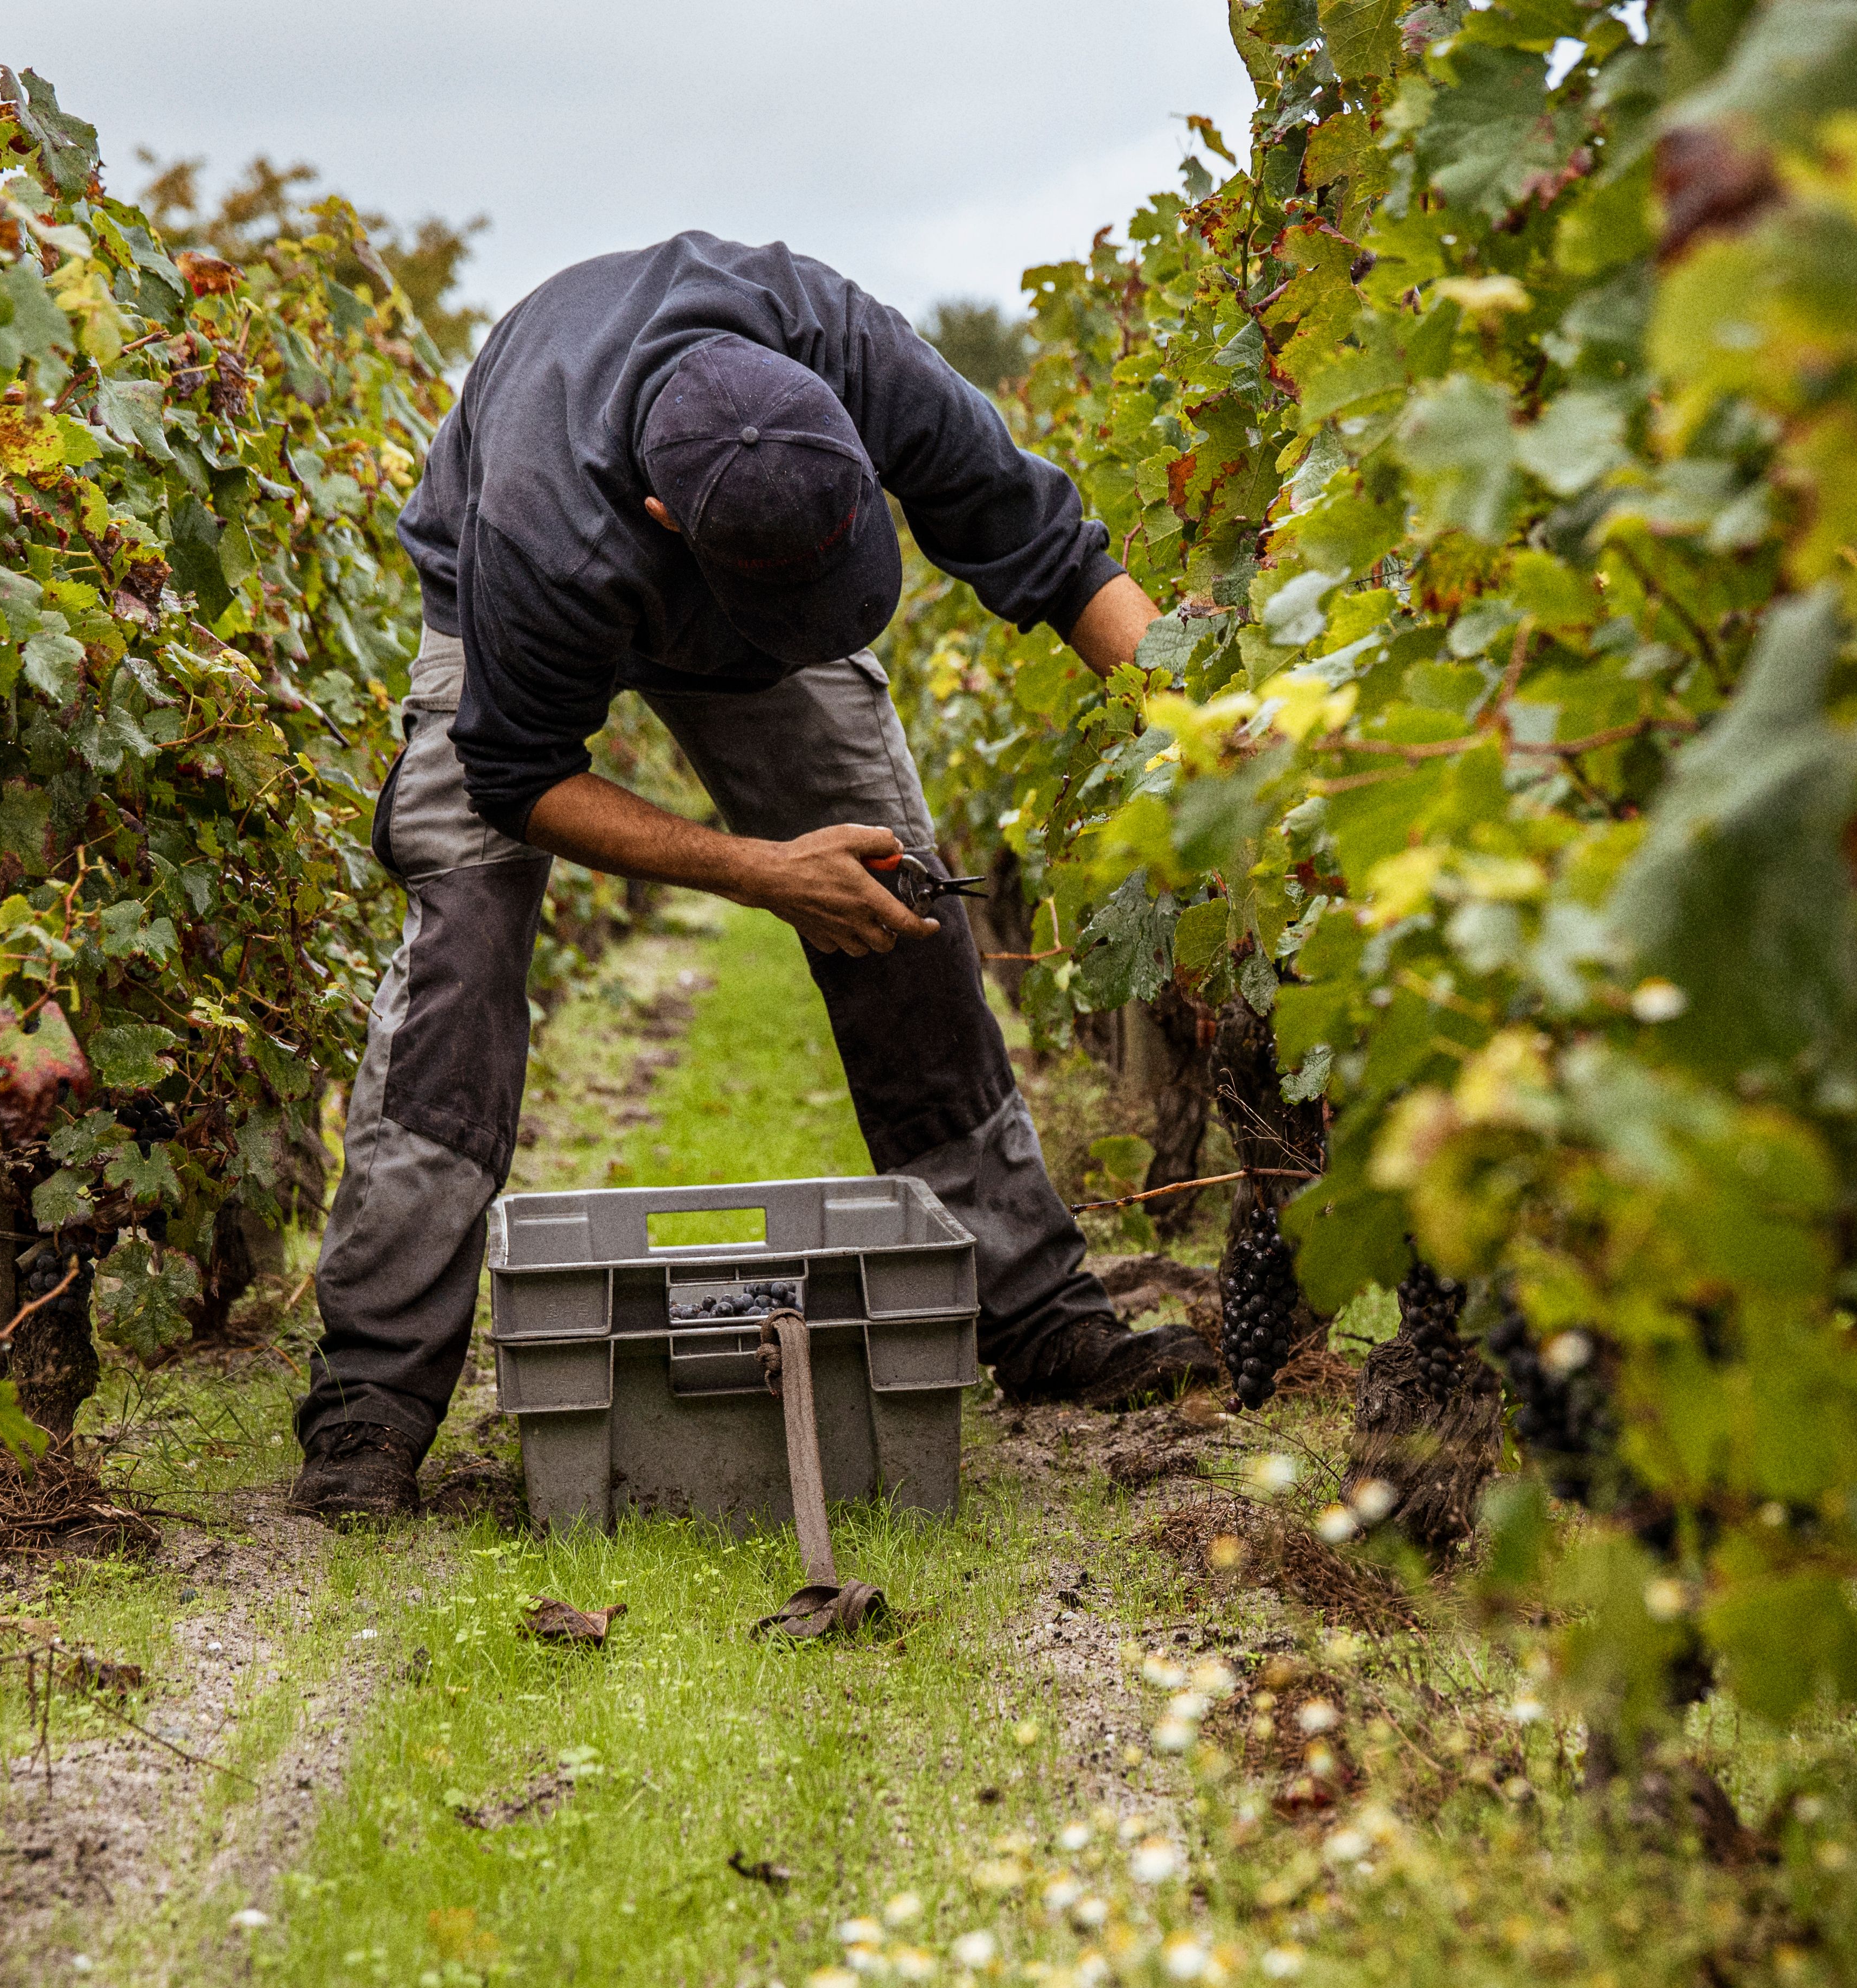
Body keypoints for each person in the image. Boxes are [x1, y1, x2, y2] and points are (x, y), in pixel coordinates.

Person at [290, 233, 1219, 1521]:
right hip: (504, 627)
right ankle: (372, 1400)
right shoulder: (543, 530)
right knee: (464, 955)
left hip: (725, 554)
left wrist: (1205, 738)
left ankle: (1042, 1315)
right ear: (670, 522)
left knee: (905, 909)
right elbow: (517, 773)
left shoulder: (851, 348)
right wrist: (763, 872)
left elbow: (1055, 553)